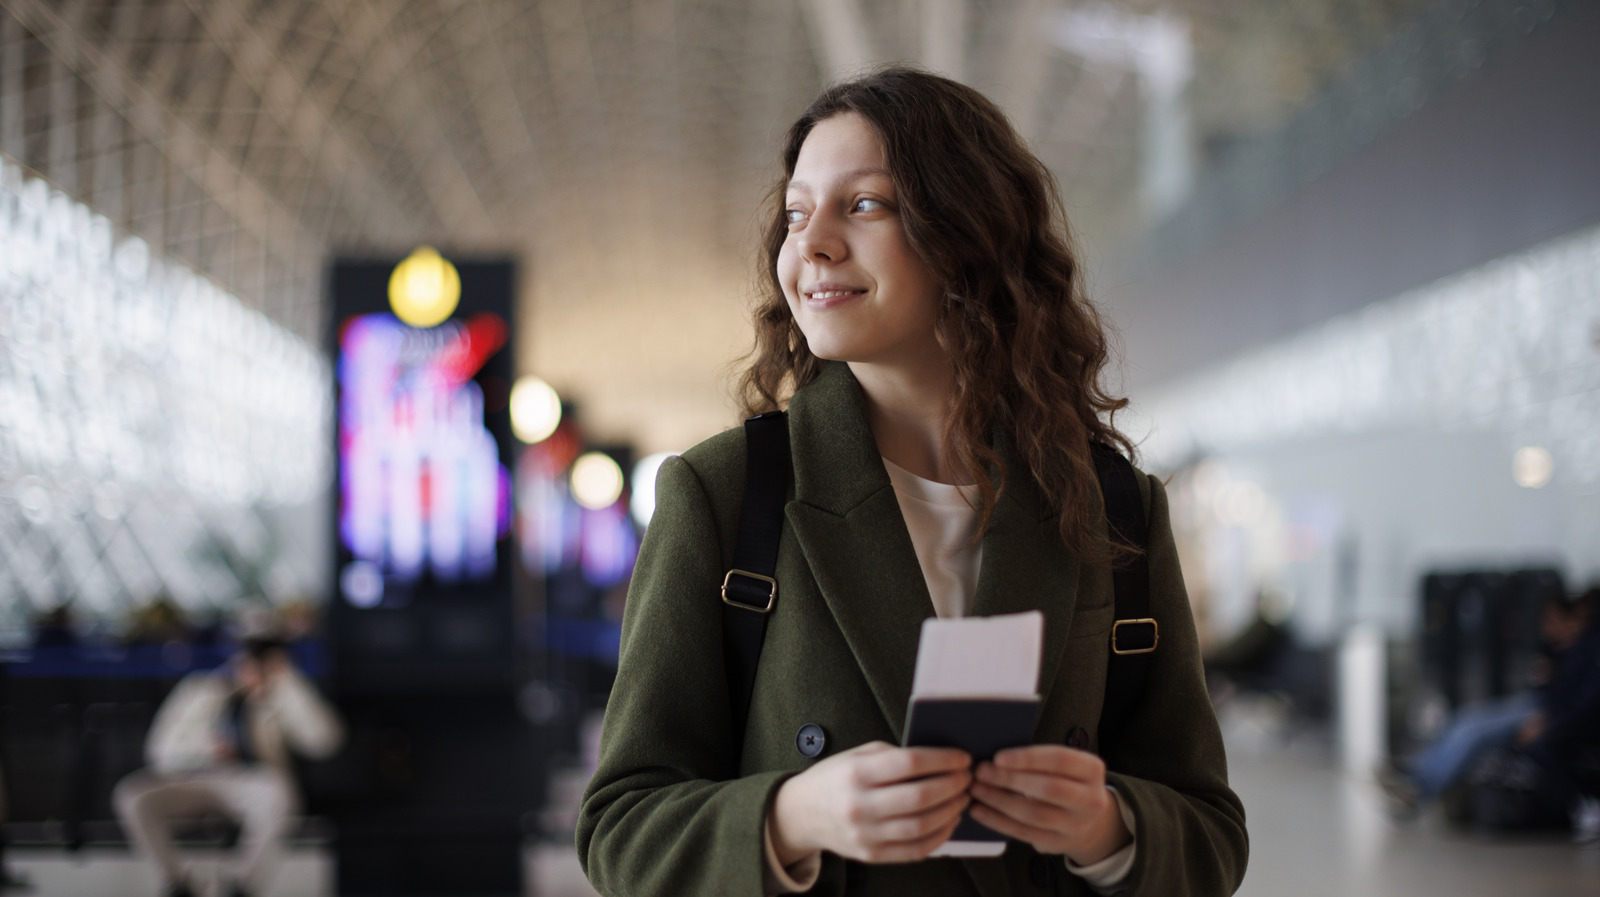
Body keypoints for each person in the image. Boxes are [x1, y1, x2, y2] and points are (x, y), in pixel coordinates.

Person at [576, 68, 1247, 896]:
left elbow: (1211, 829)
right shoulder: (724, 494)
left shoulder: (1110, 506)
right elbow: (619, 825)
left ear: (968, 232)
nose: (811, 242)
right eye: (795, 213)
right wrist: (792, 818)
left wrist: (1107, 825)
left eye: (862, 205)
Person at [113, 636, 343, 897]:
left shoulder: (277, 699)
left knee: (280, 795)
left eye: (262, 665)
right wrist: (208, 749)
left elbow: (324, 741)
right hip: (190, 777)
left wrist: (288, 681)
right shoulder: (199, 689)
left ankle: (240, 887)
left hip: (249, 783)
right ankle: (178, 885)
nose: (252, 670)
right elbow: (159, 751)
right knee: (133, 796)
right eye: (248, 662)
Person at [1379, 590, 1596, 817]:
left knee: (1474, 731)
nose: (1547, 627)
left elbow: (1580, 700)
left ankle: (1418, 786)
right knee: (1466, 719)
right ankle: (1416, 773)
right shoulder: (1563, 648)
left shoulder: (1586, 650)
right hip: (1540, 702)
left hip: (1545, 711)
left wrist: (1550, 721)